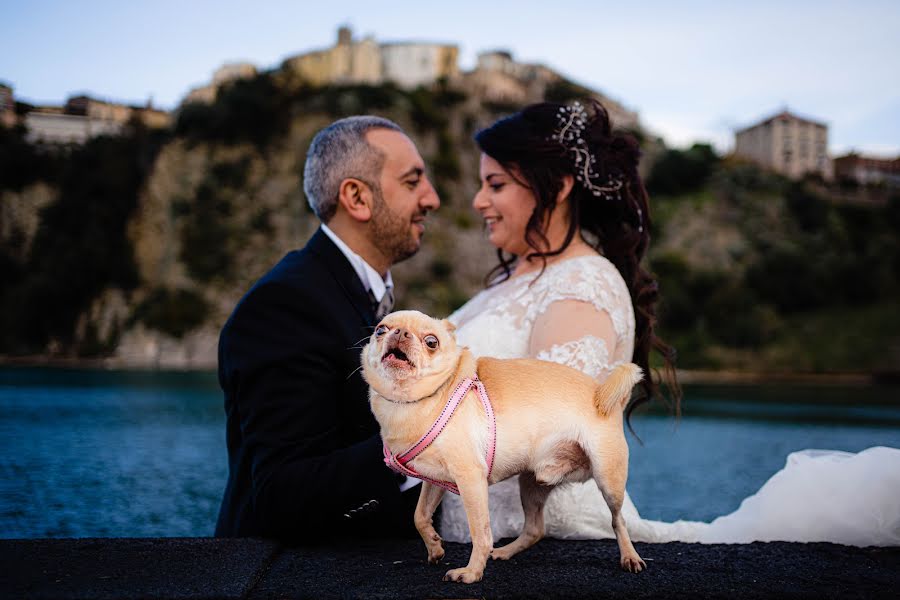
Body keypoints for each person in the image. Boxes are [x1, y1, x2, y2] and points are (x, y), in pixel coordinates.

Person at [439, 100, 900, 547]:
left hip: (554, 542)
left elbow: (553, 426)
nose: (479, 201)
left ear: (558, 187)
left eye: (496, 185)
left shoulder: (582, 283)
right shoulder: (511, 280)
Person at [215, 115, 440, 542]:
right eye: (413, 182)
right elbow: (283, 493)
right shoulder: (284, 304)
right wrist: (425, 440)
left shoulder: (355, 294)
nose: (433, 199)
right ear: (357, 197)